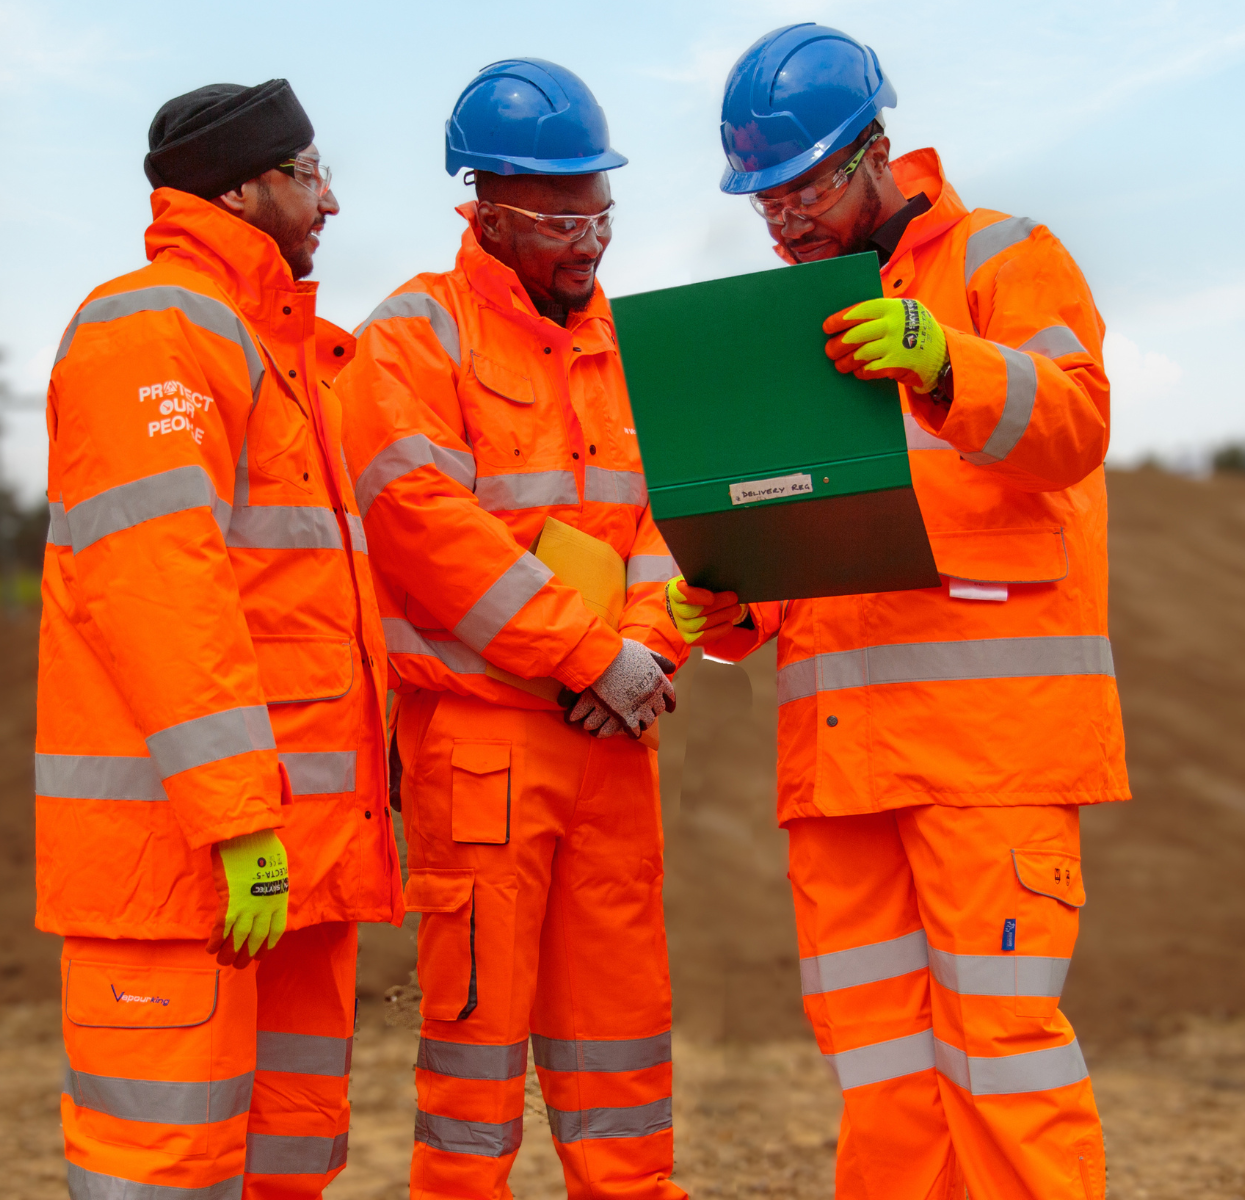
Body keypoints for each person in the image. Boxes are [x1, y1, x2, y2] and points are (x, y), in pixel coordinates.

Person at [669, 23, 1129, 1200]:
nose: (782, 221)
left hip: (987, 755)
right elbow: (793, 536)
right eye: (764, 199)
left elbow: (1074, 425)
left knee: (1000, 1054)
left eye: (802, 189)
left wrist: (942, 361)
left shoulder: (1002, 256)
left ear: (874, 150)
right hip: (841, 768)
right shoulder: (785, 320)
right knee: (880, 1071)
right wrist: (726, 604)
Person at [35, 78, 399, 1200]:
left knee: (284, 1158)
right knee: (165, 1168)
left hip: (292, 869)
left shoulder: (275, 350)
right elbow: (159, 590)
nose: (329, 199)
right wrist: (241, 823)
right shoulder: (153, 329)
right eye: (308, 172)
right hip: (188, 865)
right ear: (241, 189)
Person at [337, 58, 687, 1200]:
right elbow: (424, 530)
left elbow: (665, 519)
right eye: (560, 220)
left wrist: (645, 654)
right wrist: (593, 656)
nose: (590, 242)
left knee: (621, 1033)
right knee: (476, 1046)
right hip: (481, 743)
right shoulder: (413, 337)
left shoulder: (629, 347)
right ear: (484, 210)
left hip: (611, 732)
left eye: (600, 213)